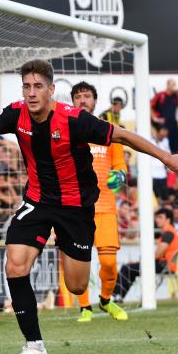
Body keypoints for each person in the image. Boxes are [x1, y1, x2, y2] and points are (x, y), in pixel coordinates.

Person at [0, 59, 178, 354]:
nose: (31, 93)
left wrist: (166, 158)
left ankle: (64, 246)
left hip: (76, 208)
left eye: (37, 86)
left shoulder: (75, 120)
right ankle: (34, 346)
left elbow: (122, 135)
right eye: (26, 86)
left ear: (51, 89)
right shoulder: (16, 112)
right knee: (15, 265)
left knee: (77, 284)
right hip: (37, 201)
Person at [70, 82, 128, 323]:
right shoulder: (65, 130)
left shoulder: (108, 131)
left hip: (104, 207)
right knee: (76, 263)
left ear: (95, 101)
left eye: (87, 96)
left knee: (108, 263)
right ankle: (85, 307)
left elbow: (120, 166)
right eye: (78, 97)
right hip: (75, 208)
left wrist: (120, 176)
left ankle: (105, 299)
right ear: (72, 101)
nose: (83, 100)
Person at [114, 208, 178, 301]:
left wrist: (141, 262)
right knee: (130, 268)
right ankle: (118, 296)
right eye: (157, 217)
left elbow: (158, 253)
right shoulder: (170, 232)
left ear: (168, 220)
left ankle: (116, 296)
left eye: (160, 217)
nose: (157, 219)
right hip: (166, 265)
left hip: (163, 265)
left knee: (127, 268)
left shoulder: (168, 233)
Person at [151, 79, 178, 153]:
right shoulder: (160, 95)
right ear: (168, 85)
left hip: (173, 124)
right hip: (163, 125)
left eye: (174, 85)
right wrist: (155, 118)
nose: (173, 86)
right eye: (172, 84)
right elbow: (151, 105)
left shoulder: (175, 96)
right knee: (163, 147)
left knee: (176, 148)